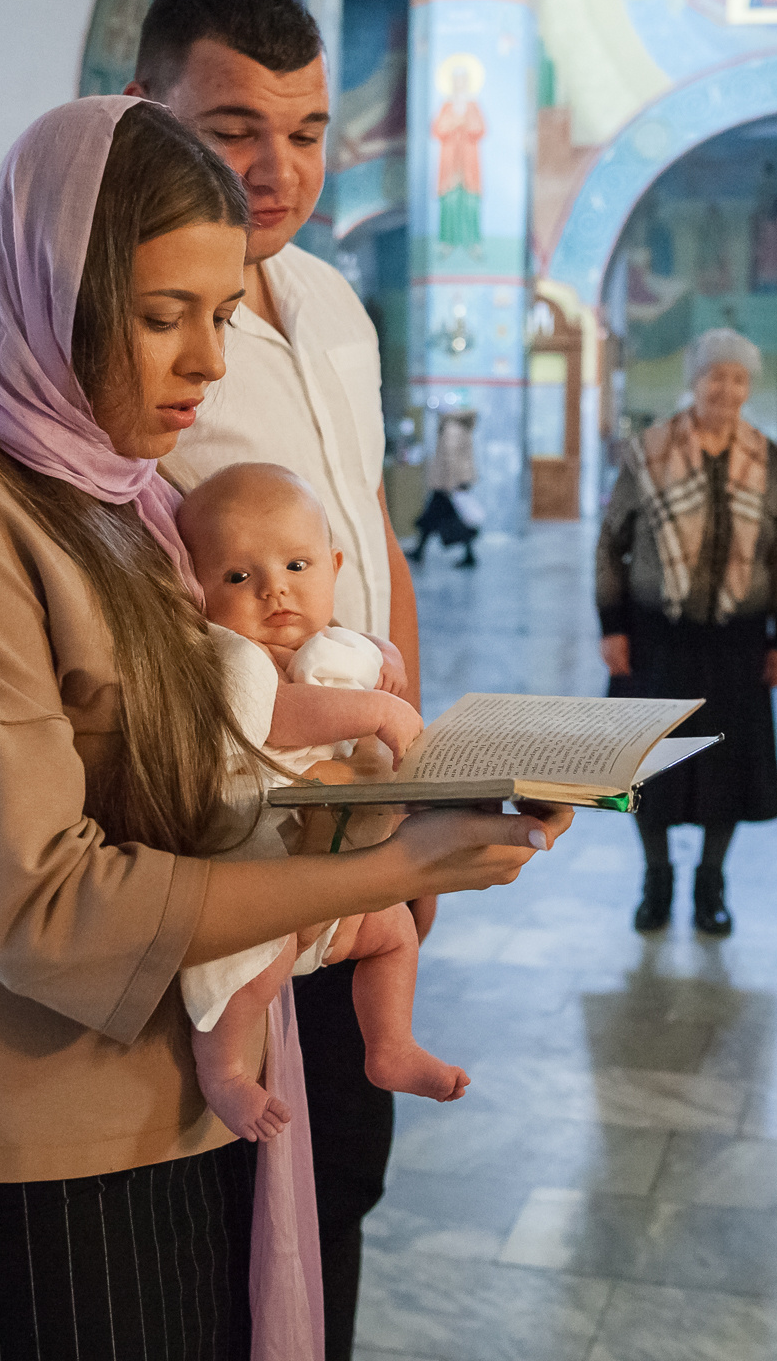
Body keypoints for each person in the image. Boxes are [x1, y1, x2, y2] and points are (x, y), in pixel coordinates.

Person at [0, 95, 567, 1360]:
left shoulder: (119, 501)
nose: (207, 365)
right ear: (51, 295)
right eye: (164, 318)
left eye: (220, 316)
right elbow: (43, 906)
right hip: (31, 1173)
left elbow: (210, 781)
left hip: (178, 1119)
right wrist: (393, 869)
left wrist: (414, 798)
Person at [126, 0, 427, 1361]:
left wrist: (415, 771)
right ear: (146, 114)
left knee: (343, 1185)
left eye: (307, 131)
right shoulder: (125, 329)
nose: (278, 166)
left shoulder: (334, 303)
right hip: (233, 827)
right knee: (222, 1215)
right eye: (235, 126)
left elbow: (368, 536)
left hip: (352, 799)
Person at [175, 464, 468, 1147]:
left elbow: (355, 656)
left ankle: (390, 1045)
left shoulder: (326, 641)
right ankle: (220, 1071)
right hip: (264, 870)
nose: (276, 589)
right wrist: (376, 706)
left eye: (298, 565)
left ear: (334, 567)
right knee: (261, 967)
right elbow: (279, 716)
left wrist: (381, 650)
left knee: (393, 934)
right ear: (198, 594)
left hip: (337, 869)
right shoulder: (229, 660)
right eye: (239, 578)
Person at [597, 328, 777, 937]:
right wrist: (612, 626)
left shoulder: (768, 456)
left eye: (738, 377)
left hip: (738, 641)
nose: (726, 387)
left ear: (749, 386)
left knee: (727, 770)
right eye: (716, 375)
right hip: (658, 637)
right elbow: (611, 545)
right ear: (694, 379)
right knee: (648, 767)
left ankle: (711, 883)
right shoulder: (648, 449)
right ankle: (656, 879)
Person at [410, 409, 481, 568]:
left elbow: (450, 459)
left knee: (438, 518)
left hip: (447, 484)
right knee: (436, 518)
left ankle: (420, 551)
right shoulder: (461, 428)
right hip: (455, 482)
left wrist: (449, 485)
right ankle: (421, 550)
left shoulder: (451, 429)